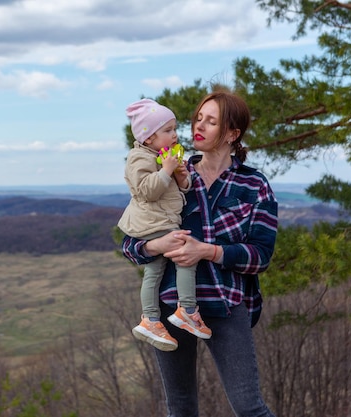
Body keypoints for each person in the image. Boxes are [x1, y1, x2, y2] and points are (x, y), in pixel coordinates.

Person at [121, 90, 278, 417]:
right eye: (198, 118)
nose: (199, 126)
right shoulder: (173, 171)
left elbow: (260, 255)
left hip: (226, 304)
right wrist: (156, 246)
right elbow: (131, 243)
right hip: (170, 308)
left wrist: (206, 251)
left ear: (232, 134)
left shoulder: (254, 186)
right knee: (180, 408)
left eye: (212, 121)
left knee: (250, 408)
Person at [118, 98, 212, 352]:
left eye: (174, 129)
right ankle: (188, 310)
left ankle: (150, 319)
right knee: (186, 256)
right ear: (148, 138)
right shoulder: (139, 157)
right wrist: (166, 170)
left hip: (162, 220)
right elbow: (147, 191)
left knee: (155, 269)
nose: (175, 135)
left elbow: (179, 191)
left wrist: (181, 176)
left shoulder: (162, 155)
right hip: (153, 222)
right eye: (168, 130)